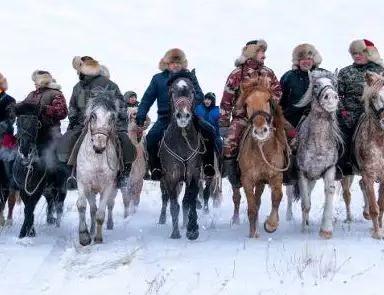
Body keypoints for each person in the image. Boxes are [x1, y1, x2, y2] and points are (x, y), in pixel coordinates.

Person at [219, 39, 293, 189]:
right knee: (228, 143)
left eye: (264, 53)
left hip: (268, 116)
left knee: (292, 135)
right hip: (243, 118)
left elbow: (278, 91)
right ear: (252, 54)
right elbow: (227, 99)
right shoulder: (236, 74)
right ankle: (234, 176)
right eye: (261, 52)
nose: (264, 56)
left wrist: (267, 99)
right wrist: (224, 122)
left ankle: (289, 171)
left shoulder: (268, 72)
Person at [135, 48, 220, 180]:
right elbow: (147, 99)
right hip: (165, 118)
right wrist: (140, 116)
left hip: (189, 117)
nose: (175, 65)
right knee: (150, 139)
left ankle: (208, 164)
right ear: (167, 64)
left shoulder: (189, 77)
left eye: (178, 62)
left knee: (209, 131)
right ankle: (156, 167)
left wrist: (188, 105)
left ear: (182, 64)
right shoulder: (158, 79)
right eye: (172, 62)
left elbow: (199, 96)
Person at [56, 55, 136, 187]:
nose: (78, 73)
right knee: (63, 146)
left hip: (109, 126)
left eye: (80, 70)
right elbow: (73, 108)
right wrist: (73, 124)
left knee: (127, 146)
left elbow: (122, 108)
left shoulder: (110, 85)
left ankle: (123, 178)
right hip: (83, 127)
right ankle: (71, 177)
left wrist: (118, 127)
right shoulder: (78, 87)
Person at [336, 39, 384, 175]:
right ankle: (343, 163)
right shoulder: (345, 72)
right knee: (341, 131)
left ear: (369, 54)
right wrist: (342, 110)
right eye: (354, 53)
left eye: (360, 53)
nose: (356, 56)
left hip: (379, 111)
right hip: (352, 112)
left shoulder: (383, 71)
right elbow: (338, 94)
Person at [279, 43, 329, 185]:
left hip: (317, 117)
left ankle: (335, 166)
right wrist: (281, 119)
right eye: (302, 59)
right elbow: (279, 100)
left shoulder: (322, 75)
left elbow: (331, 93)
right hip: (292, 118)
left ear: (314, 60)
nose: (306, 61)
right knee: (287, 143)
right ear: (297, 61)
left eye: (309, 58)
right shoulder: (288, 77)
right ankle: (288, 171)